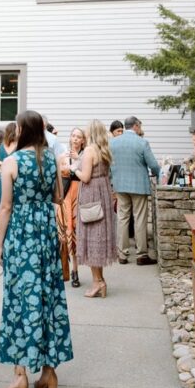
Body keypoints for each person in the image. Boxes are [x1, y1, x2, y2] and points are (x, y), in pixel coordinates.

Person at [0, 110, 73, 388]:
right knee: (48, 297)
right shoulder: (51, 159)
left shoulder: (12, 161)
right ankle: (49, 374)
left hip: (21, 236)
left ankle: (21, 376)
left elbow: (5, 206)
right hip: (45, 235)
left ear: (21, 130)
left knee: (19, 299)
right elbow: (58, 198)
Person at [110, 115, 160, 266]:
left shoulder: (113, 142)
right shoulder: (142, 142)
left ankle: (122, 254)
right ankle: (141, 254)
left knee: (122, 218)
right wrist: (157, 174)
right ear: (136, 126)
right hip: (138, 185)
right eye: (140, 126)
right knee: (140, 219)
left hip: (120, 185)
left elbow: (109, 164)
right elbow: (153, 165)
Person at [75, 119, 117, 298]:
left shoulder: (89, 150)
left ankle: (97, 282)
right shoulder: (103, 149)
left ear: (91, 132)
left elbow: (85, 177)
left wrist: (73, 168)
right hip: (103, 193)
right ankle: (100, 280)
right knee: (99, 238)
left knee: (92, 238)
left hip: (91, 195)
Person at [58, 127, 86, 287]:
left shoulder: (85, 156)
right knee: (65, 232)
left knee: (76, 232)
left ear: (83, 140)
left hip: (80, 196)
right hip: (65, 197)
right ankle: (68, 269)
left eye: (78, 136)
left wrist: (78, 161)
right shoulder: (63, 156)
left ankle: (76, 270)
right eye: (73, 135)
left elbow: (87, 175)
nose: (75, 138)